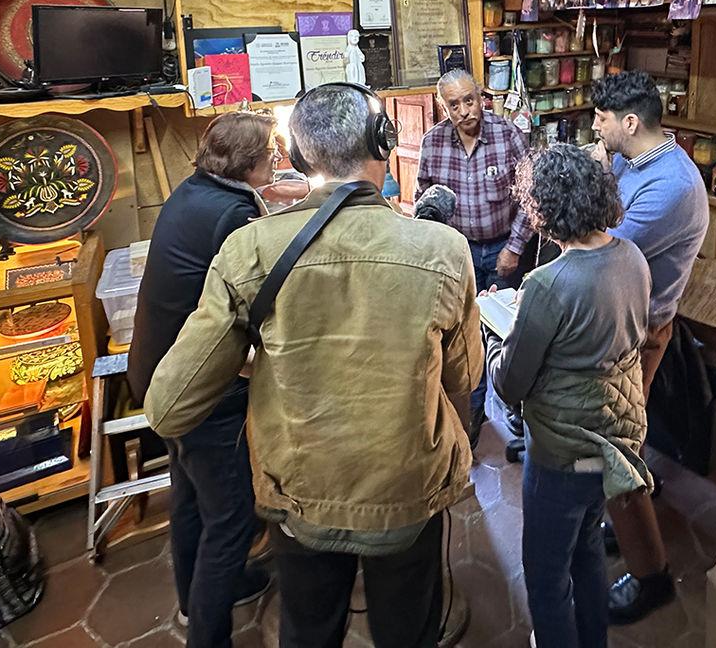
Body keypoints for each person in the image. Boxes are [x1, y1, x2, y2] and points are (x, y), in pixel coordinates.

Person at [145, 83, 482, 648]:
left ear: (299, 159)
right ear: (384, 143)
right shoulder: (442, 249)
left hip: (301, 494)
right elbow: (465, 378)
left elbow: (169, 406)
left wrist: (260, 367)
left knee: (309, 631)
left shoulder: (249, 250)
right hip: (406, 491)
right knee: (409, 631)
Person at [488, 144, 653, 648]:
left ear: (543, 211)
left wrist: (497, 338)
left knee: (544, 575)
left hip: (563, 450)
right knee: (585, 549)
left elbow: (512, 382)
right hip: (618, 436)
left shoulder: (547, 283)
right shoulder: (631, 256)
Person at [127, 111, 278, 647]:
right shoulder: (233, 214)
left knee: (189, 493)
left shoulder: (193, 192)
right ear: (249, 164)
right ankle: (209, 636)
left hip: (155, 372)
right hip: (199, 385)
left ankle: (197, 600)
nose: (276, 157)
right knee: (232, 518)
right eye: (269, 152)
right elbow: (250, 299)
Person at [591, 70, 709, 624]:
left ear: (630, 123)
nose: (595, 126)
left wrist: (586, 192)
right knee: (623, 434)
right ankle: (629, 504)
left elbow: (605, 249)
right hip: (622, 319)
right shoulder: (635, 159)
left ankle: (652, 577)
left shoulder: (672, 186)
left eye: (602, 119)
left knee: (614, 451)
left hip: (641, 329)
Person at [417, 68, 532, 443]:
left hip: (502, 248)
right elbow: (426, 202)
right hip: (458, 254)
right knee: (466, 340)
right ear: (443, 106)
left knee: (510, 333)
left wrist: (514, 247)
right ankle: (472, 421)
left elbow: (529, 199)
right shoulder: (433, 143)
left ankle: (517, 414)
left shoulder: (507, 135)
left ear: (480, 96)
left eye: (471, 100)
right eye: (455, 104)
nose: (466, 110)